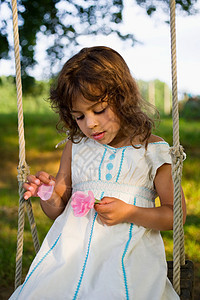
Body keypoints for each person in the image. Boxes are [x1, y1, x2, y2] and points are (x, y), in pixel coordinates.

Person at [10, 46, 186, 300]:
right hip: (69, 260)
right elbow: (57, 206)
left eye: (99, 110)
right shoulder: (77, 145)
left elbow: (175, 216)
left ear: (123, 98)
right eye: (79, 116)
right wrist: (47, 194)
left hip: (127, 261)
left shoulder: (152, 150)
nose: (90, 123)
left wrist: (131, 212)